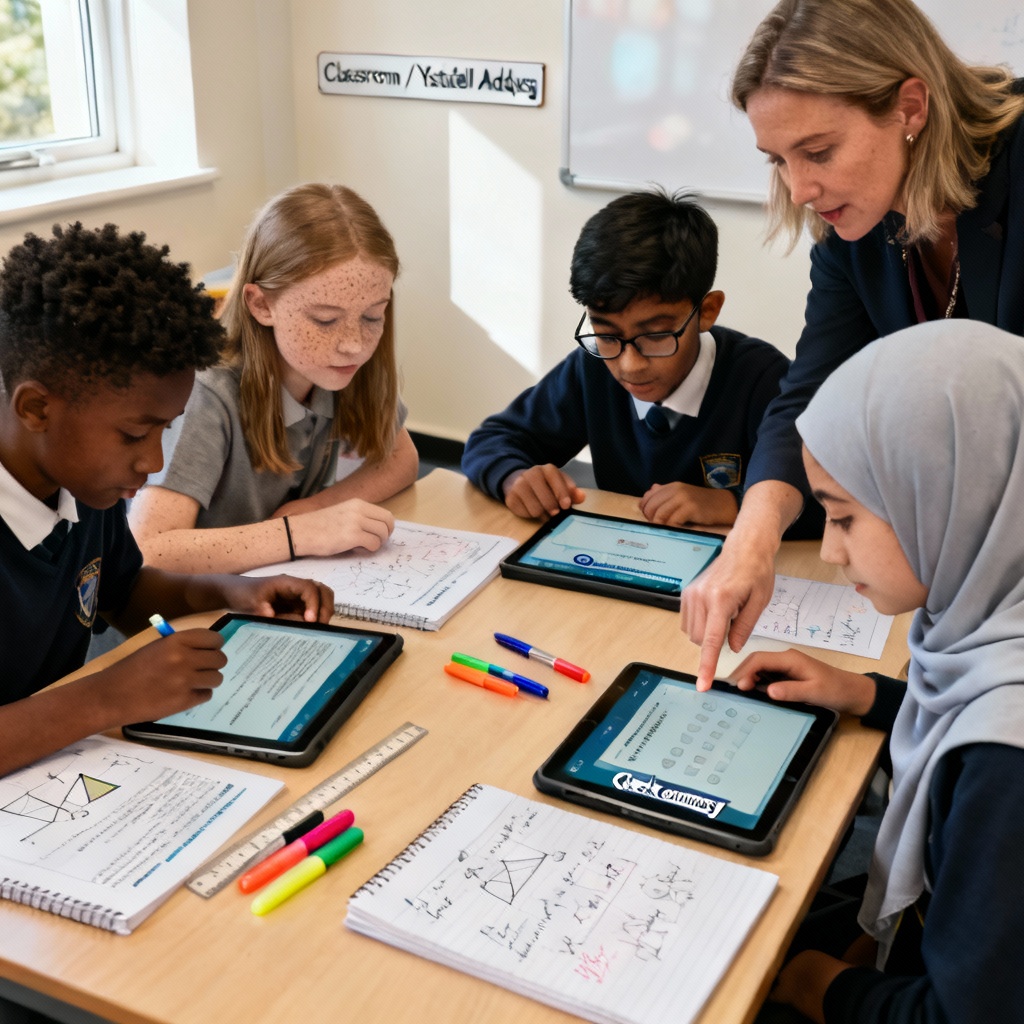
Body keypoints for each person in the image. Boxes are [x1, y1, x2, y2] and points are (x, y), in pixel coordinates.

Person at [681, 0, 1024, 689]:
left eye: (818, 152)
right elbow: (811, 390)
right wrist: (751, 541)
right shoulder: (857, 228)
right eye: (777, 159)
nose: (800, 188)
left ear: (910, 108)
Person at [728, 319, 1024, 1023]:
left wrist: (807, 981)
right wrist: (868, 694)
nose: (830, 551)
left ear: (945, 494)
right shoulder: (991, 617)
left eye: (844, 517)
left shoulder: (1002, 762)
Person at [0, 222, 335, 779]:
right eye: (135, 434)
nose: (154, 461)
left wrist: (229, 591)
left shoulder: (85, 481)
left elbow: (123, 591)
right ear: (36, 409)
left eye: (166, 430)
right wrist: (105, 698)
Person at [128, 183, 418, 574]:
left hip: (267, 583)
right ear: (261, 304)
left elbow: (402, 458)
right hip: (195, 603)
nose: (354, 345)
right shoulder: (207, 391)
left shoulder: (338, 369)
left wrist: (315, 509)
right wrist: (295, 533)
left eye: (372, 316)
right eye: (325, 320)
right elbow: (148, 549)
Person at [461, 189, 790, 527]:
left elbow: (830, 502)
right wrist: (513, 477)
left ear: (707, 311)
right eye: (607, 335)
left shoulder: (763, 380)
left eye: (656, 336)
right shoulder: (591, 369)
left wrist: (733, 503)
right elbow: (491, 440)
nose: (629, 365)